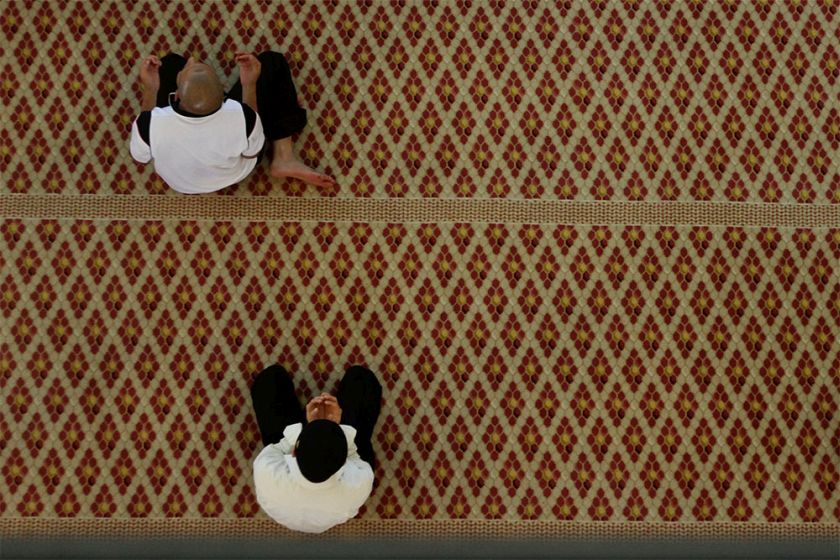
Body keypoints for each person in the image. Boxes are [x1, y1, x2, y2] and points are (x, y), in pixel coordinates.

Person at [129, 51, 335, 194]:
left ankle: (283, 160)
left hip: (182, 183)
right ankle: (284, 156)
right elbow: (251, 152)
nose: (193, 60)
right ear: (224, 96)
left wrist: (150, 89)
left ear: (175, 97)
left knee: (170, 63)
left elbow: (141, 157)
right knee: (272, 62)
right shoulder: (239, 116)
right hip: (234, 172)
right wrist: (250, 84)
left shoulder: (151, 124)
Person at [251, 364, 382, 533]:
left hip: (285, 478)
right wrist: (337, 425)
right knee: (362, 379)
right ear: (343, 462)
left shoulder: (268, 472)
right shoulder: (358, 482)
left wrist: (308, 426)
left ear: (294, 452)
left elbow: (277, 447)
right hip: (339, 490)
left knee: (269, 380)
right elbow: (355, 455)